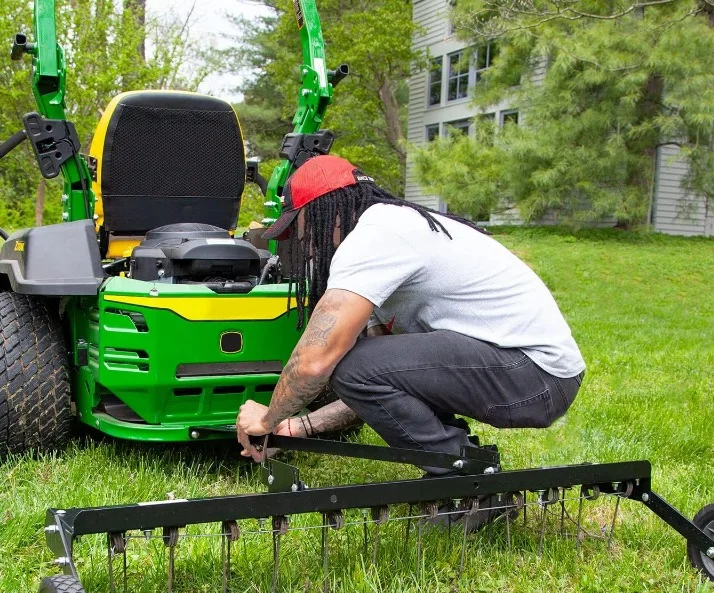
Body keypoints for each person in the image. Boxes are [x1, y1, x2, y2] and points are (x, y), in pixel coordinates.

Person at [236, 154, 585, 474]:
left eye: (303, 229)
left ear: (331, 213)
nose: (306, 244)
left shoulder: (375, 235)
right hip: (533, 374)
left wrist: (265, 420)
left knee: (347, 361)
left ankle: (465, 479)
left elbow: (315, 361)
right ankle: (467, 466)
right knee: (360, 364)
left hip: (537, 374)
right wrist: (298, 427)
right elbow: (381, 384)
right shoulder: (387, 239)